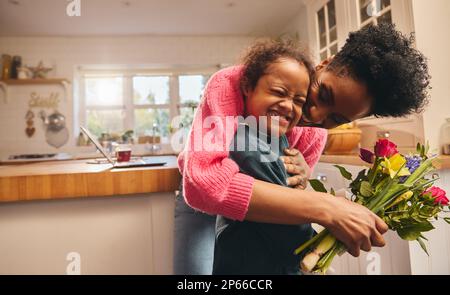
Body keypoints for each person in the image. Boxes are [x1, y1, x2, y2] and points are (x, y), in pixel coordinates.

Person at [174, 23, 430, 275]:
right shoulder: (230, 83)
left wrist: (302, 178)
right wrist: (327, 207)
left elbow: (287, 193)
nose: (315, 116)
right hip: (198, 197)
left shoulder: (314, 134)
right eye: (323, 94)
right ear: (322, 66)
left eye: (335, 120)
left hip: (251, 218)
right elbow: (203, 185)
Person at [213, 42, 316, 274]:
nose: (289, 106)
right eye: (279, 92)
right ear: (248, 86)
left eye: (299, 101)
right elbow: (288, 223)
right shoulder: (250, 147)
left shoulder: (272, 135)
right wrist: (318, 245)